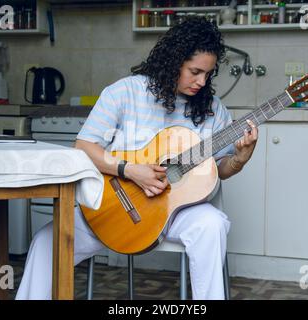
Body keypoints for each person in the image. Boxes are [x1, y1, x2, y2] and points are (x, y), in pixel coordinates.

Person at [16, 17, 258, 300]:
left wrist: (239, 159)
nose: (201, 82)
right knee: (47, 241)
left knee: (212, 224)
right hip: (116, 205)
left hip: (178, 211)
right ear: (174, 61)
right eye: (195, 71)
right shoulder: (125, 92)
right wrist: (129, 170)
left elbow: (218, 169)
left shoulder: (213, 109)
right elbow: (83, 147)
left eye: (208, 74)